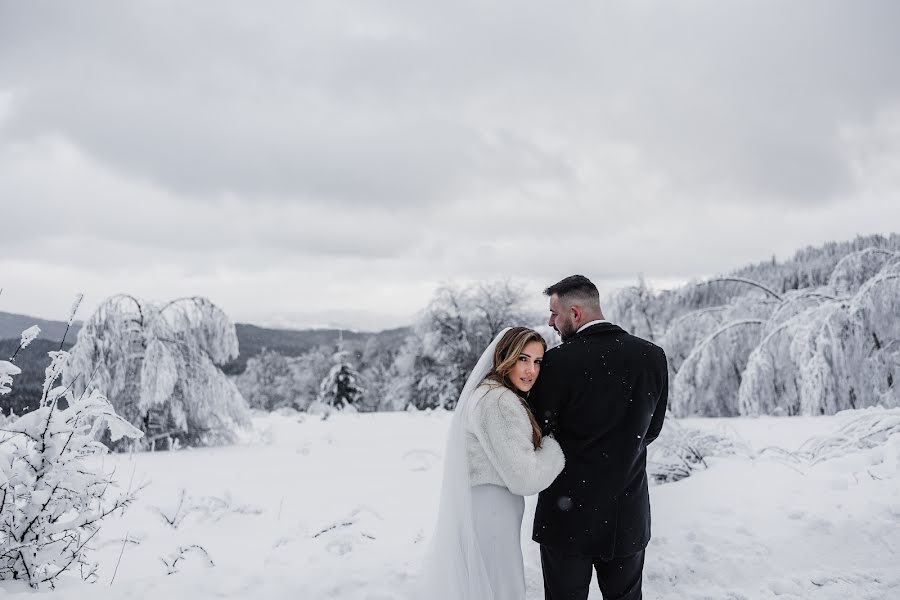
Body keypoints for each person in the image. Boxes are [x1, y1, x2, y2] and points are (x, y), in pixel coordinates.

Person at [528, 275, 668, 600]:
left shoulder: (556, 363)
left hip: (566, 519)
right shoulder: (652, 357)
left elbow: (537, 432)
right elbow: (652, 430)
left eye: (554, 313)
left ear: (575, 314)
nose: (551, 321)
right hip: (626, 516)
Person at [416, 327, 565, 600]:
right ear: (505, 356)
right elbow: (525, 478)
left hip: (486, 507)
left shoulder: (489, 394)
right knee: (500, 586)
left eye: (537, 361)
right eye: (522, 358)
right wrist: (554, 449)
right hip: (492, 511)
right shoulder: (498, 401)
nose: (531, 370)